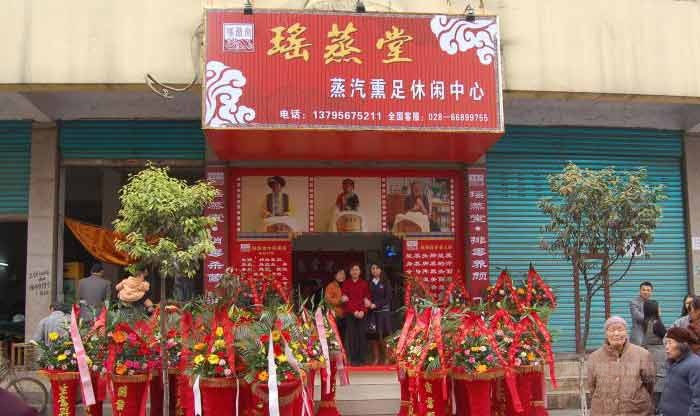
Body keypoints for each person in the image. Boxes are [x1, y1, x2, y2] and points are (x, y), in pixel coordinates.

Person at [587, 316, 655, 416]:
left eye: (620, 329)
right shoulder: (594, 357)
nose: (616, 333)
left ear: (626, 332)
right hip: (603, 411)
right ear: (606, 334)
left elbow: (650, 383)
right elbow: (592, 387)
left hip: (636, 411)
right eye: (612, 330)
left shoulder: (642, 354)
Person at [658, 327, 700, 416]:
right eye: (666, 343)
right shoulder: (672, 363)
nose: (666, 347)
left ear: (683, 344)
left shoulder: (695, 365)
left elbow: (698, 400)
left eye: (670, 342)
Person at [342, 264, 370, 366]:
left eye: (357, 269)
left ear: (360, 271)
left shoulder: (364, 283)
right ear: (350, 272)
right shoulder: (346, 283)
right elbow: (346, 300)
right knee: (352, 336)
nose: (355, 272)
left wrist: (362, 311)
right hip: (350, 313)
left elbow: (366, 298)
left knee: (361, 335)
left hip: (362, 313)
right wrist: (354, 312)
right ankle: (353, 359)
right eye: (353, 270)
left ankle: (362, 359)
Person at [642, 299, 667, 406]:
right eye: (658, 307)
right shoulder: (657, 324)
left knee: (653, 379)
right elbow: (667, 336)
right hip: (660, 354)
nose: (660, 309)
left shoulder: (646, 323)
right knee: (661, 379)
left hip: (650, 353)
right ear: (654, 309)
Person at [367, 263, 392, 365]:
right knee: (373, 337)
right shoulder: (369, 282)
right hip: (372, 313)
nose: (375, 270)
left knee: (384, 336)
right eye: (373, 268)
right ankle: (376, 358)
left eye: (377, 268)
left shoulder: (386, 282)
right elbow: (366, 295)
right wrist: (367, 302)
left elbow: (388, 298)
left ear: (381, 270)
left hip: (383, 313)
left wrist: (376, 304)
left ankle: (387, 357)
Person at [324, 268, 347, 338]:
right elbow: (327, 300)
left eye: (343, 274)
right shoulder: (330, 286)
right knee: (336, 337)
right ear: (335, 275)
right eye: (339, 274)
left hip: (347, 316)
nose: (342, 276)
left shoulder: (347, 285)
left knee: (345, 337)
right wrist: (340, 300)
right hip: (335, 316)